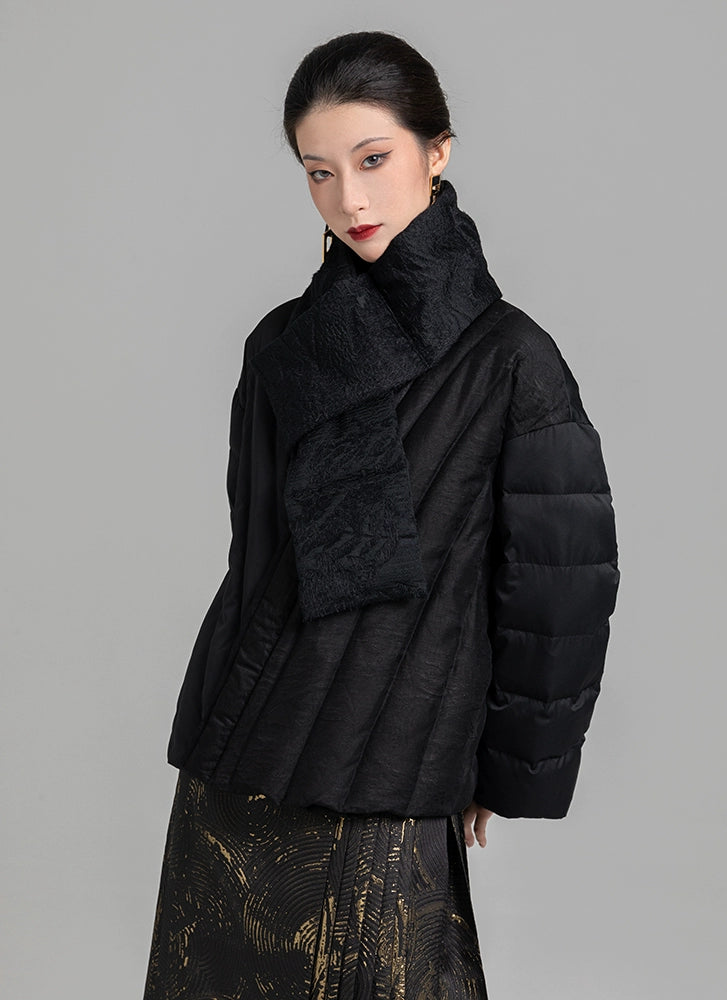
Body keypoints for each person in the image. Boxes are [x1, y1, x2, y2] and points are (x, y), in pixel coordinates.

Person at [143, 29, 620, 1000]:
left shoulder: (512, 359)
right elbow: (253, 551)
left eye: (372, 160)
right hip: (231, 768)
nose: (348, 200)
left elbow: (560, 585)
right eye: (318, 172)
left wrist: (509, 767)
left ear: (436, 152)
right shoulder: (280, 344)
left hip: (388, 774)